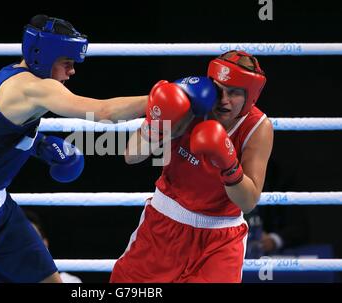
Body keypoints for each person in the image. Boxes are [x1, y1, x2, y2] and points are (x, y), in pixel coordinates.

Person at [0, 14, 147, 283]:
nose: (72, 71)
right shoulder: (34, 88)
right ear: (44, 55)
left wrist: (39, 145)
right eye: (67, 63)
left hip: (0, 212)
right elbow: (104, 112)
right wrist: (158, 97)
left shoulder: (9, 76)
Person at [110, 50, 274, 283]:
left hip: (219, 241)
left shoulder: (257, 128)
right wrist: (155, 124)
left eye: (235, 93)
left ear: (251, 96)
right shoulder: (188, 103)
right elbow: (132, 155)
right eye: (219, 90)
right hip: (163, 227)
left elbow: (247, 201)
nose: (224, 100)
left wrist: (228, 164)